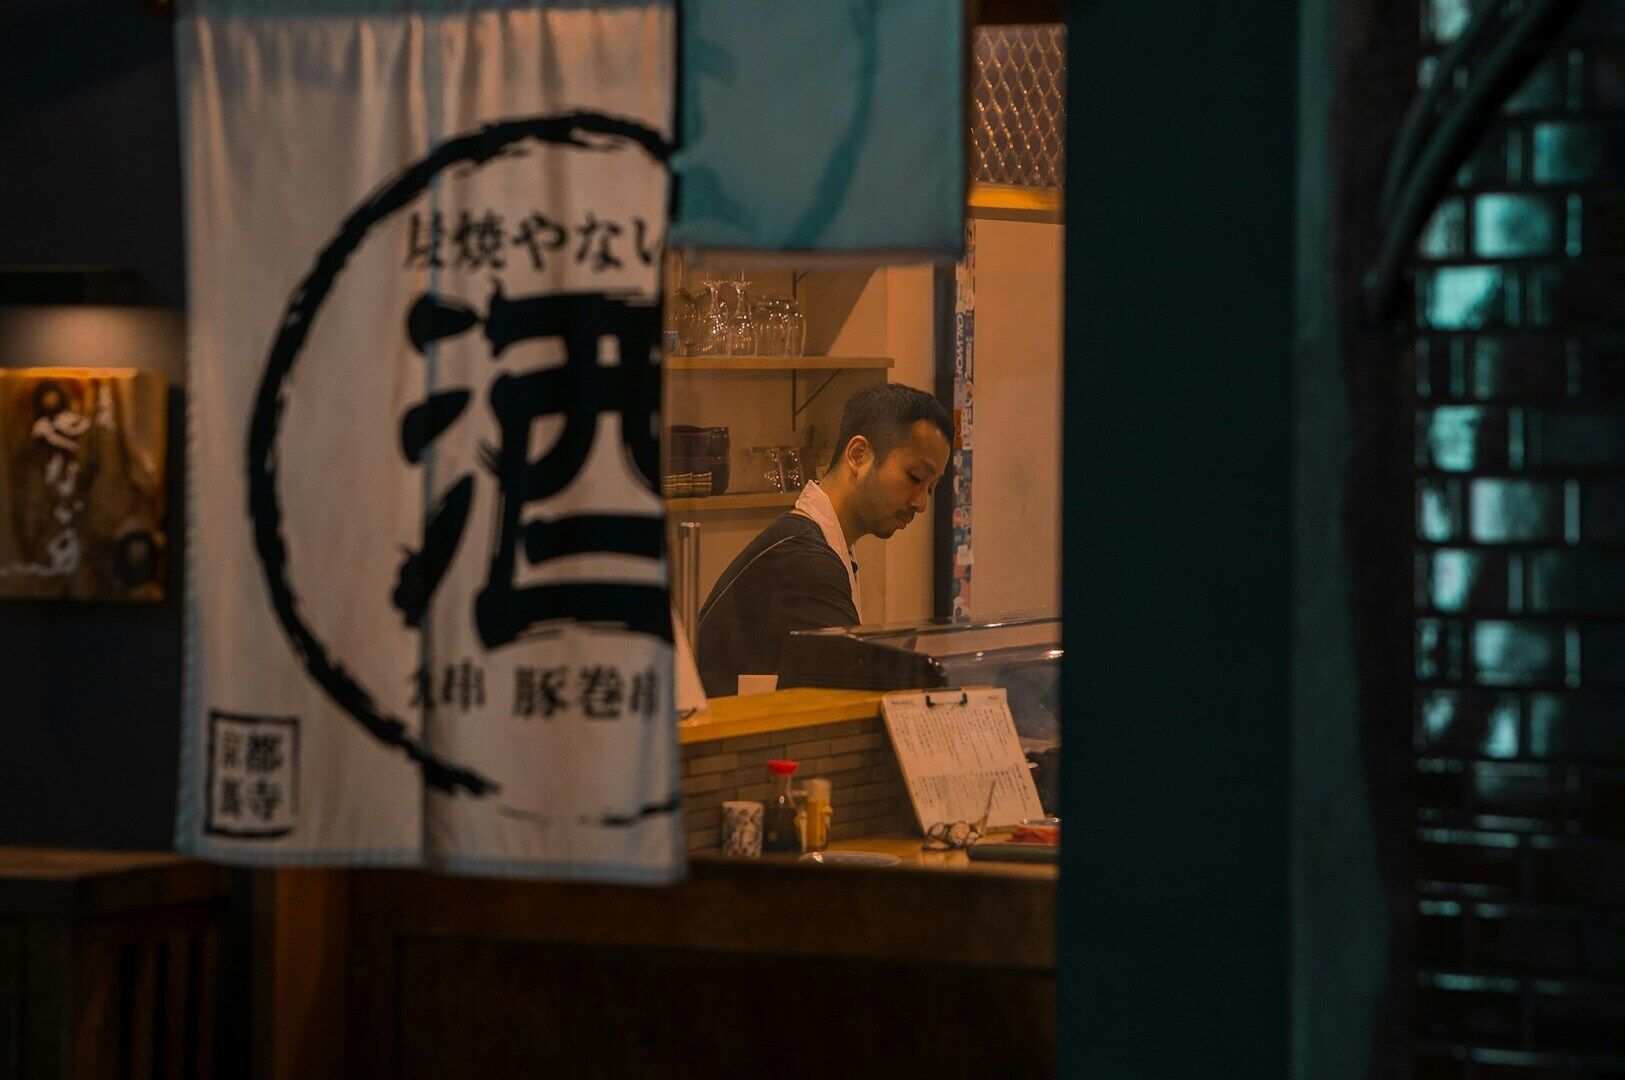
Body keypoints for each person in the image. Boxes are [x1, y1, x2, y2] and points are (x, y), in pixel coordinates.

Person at [694, 383, 952, 697]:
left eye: (931, 487)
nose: (921, 503)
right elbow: (857, 690)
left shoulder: (815, 543)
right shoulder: (805, 561)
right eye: (914, 477)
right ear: (859, 455)